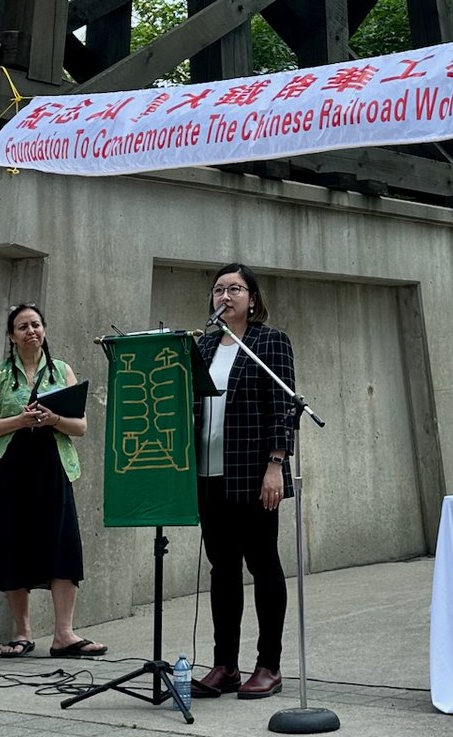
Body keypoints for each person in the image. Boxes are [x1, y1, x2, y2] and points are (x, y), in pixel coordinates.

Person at [0, 303, 107, 658]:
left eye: (36, 325)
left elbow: (81, 426)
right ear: (11, 336)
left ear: (44, 330)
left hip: (53, 469)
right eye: (22, 327)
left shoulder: (62, 370)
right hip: (9, 471)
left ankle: (64, 635)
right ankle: (22, 633)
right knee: (13, 546)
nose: (31, 331)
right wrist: (19, 420)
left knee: (62, 547)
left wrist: (52, 418)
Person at [190, 263, 294, 700]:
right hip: (209, 474)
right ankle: (225, 665)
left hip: (252, 474)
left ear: (252, 299)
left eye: (235, 289)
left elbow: (284, 406)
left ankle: (268, 665)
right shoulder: (203, 345)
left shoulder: (269, 342)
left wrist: (276, 464)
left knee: (263, 566)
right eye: (218, 290)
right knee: (223, 570)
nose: (225, 296)